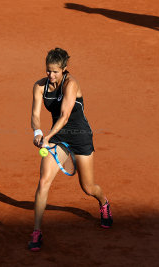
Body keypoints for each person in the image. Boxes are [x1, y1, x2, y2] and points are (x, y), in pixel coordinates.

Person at [28, 48, 113, 251]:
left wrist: (47, 137)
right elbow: (34, 114)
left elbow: (65, 116)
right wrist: (37, 132)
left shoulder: (71, 84)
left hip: (80, 136)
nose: (51, 75)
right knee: (43, 182)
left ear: (64, 70)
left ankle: (104, 202)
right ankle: (37, 232)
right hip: (58, 138)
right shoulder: (40, 86)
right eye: (48, 70)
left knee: (88, 187)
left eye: (56, 71)